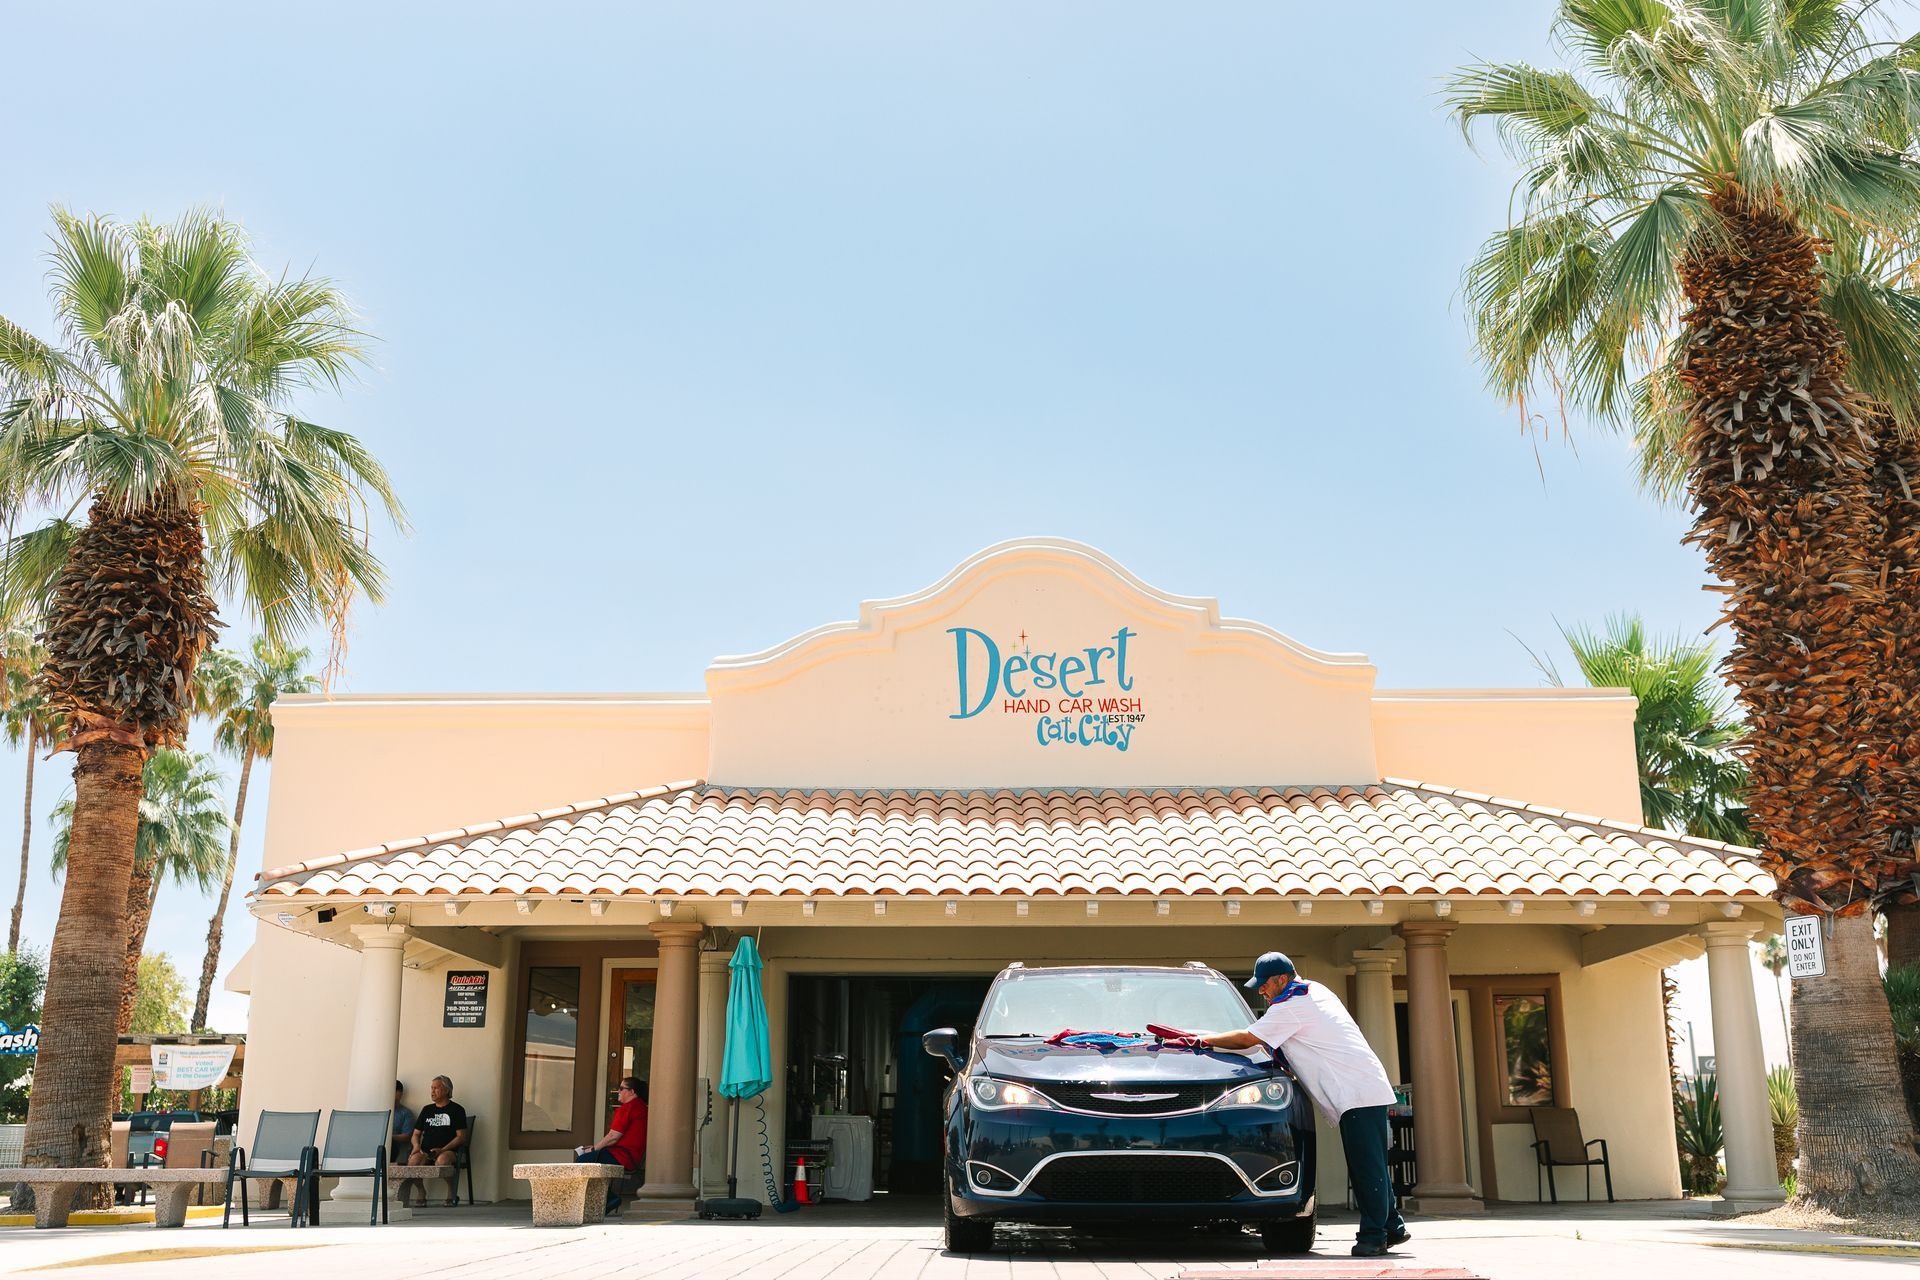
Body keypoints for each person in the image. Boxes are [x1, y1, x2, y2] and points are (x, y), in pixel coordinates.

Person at [1199, 951, 1408, 1258]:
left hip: (1357, 1093)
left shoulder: (1293, 1006)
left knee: (1366, 1169)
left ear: (1282, 979)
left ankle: (1373, 1237)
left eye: (1265, 985)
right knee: (1372, 1164)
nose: (1261, 991)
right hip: (1365, 1089)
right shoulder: (1315, 990)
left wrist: (1199, 1041)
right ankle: (1393, 1226)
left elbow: (1248, 1039)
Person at [574, 1076, 648, 1215]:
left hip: (623, 1156)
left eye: (621, 1088)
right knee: (591, 1157)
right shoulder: (642, 1107)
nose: (618, 1091)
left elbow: (613, 1137)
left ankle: (609, 1199)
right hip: (631, 1155)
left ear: (632, 1091)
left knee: (583, 1161)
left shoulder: (628, 1107)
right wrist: (594, 1148)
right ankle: (602, 1200)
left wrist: (594, 1149)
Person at [403, 1074, 469, 1207]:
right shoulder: (427, 1110)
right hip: (426, 1150)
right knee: (413, 1162)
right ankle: (421, 1192)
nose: (432, 1091)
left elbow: (461, 1137)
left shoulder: (457, 1110)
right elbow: (416, 1134)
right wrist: (416, 1146)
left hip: (448, 1150)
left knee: (442, 1160)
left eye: (436, 1088)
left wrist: (443, 1150)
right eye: (431, 1088)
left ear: (446, 1090)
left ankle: (451, 1192)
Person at [391, 1080, 415, 1165]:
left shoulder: (406, 1113)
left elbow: (407, 1136)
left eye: (393, 1091)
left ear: (400, 1094)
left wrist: (389, 1138)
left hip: (392, 1146)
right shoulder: (378, 1111)